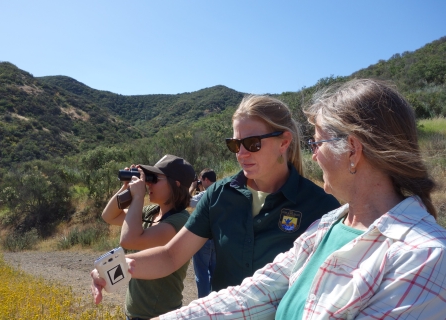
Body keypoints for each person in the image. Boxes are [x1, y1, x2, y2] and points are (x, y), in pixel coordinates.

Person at [152, 79, 446, 319]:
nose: (313, 154)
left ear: (353, 151)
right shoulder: (326, 226)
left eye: (317, 143)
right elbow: (255, 294)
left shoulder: (423, 257)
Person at [92, 95, 340, 302]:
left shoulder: (321, 206)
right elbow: (171, 256)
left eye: (252, 143)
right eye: (235, 145)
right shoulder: (219, 196)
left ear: (284, 142)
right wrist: (116, 268)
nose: (241, 154)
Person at [99, 154, 195, 319]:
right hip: (137, 312)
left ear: (176, 184)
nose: (149, 183)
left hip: (158, 314)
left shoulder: (179, 222)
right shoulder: (152, 212)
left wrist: (138, 197)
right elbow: (109, 216)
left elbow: (130, 240)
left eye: (155, 179)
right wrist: (126, 188)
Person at [188, 168, 217, 298]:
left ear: (205, 180)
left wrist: (192, 186)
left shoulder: (205, 194)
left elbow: (187, 201)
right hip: (217, 238)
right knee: (215, 272)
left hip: (203, 239)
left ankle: (203, 303)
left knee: (202, 274)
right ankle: (215, 300)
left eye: (201, 179)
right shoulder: (221, 191)